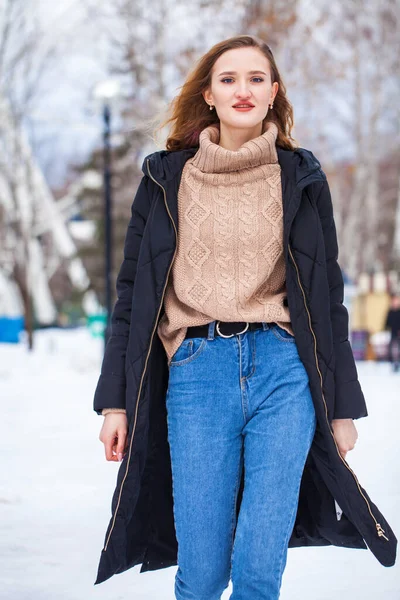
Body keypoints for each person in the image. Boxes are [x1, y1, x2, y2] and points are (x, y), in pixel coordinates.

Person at [93, 35, 397, 597]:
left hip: (284, 371)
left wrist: (342, 409)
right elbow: (131, 294)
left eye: (257, 78)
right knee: (203, 568)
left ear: (274, 92)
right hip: (195, 370)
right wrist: (115, 400)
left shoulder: (301, 179)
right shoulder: (165, 179)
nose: (243, 90)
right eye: (228, 79)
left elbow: (328, 297)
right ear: (208, 94)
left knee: (260, 568)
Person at [384, 293, 400, 372]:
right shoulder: (390, 311)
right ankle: (394, 363)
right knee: (392, 349)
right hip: (393, 333)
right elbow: (387, 322)